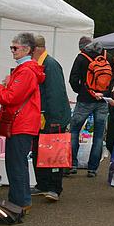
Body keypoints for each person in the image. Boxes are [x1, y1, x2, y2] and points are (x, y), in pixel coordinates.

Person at [0, 32, 44, 212]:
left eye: (14, 48)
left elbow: (10, 98)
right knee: (17, 162)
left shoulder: (25, 71)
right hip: (23, 122)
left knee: (16, 163)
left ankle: (20, 202)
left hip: (21, 124)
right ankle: (20, 200)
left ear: (26, 49)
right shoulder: (27, 70)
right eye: (12, 47)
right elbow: (14, 95)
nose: (12, 51)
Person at [30, 34, 71, 203]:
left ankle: (54, 187)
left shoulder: (50, 65)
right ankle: (43, 184)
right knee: (39, 151)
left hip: (53, 117)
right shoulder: (39, 64)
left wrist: (55, 120)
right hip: (41, 117)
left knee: (54, 153)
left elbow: (55, 94)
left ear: (36, 49)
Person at [68, 37, 110, 177]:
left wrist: (81, 90)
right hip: (103, 100)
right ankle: (92, 169)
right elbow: (113, 77)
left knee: (74, 131)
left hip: (85, 100)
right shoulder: (106, 55)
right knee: (98, 136)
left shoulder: (81, 58)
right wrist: (104, 93)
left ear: (83, 47)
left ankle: (72, 164)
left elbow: (73, 79)